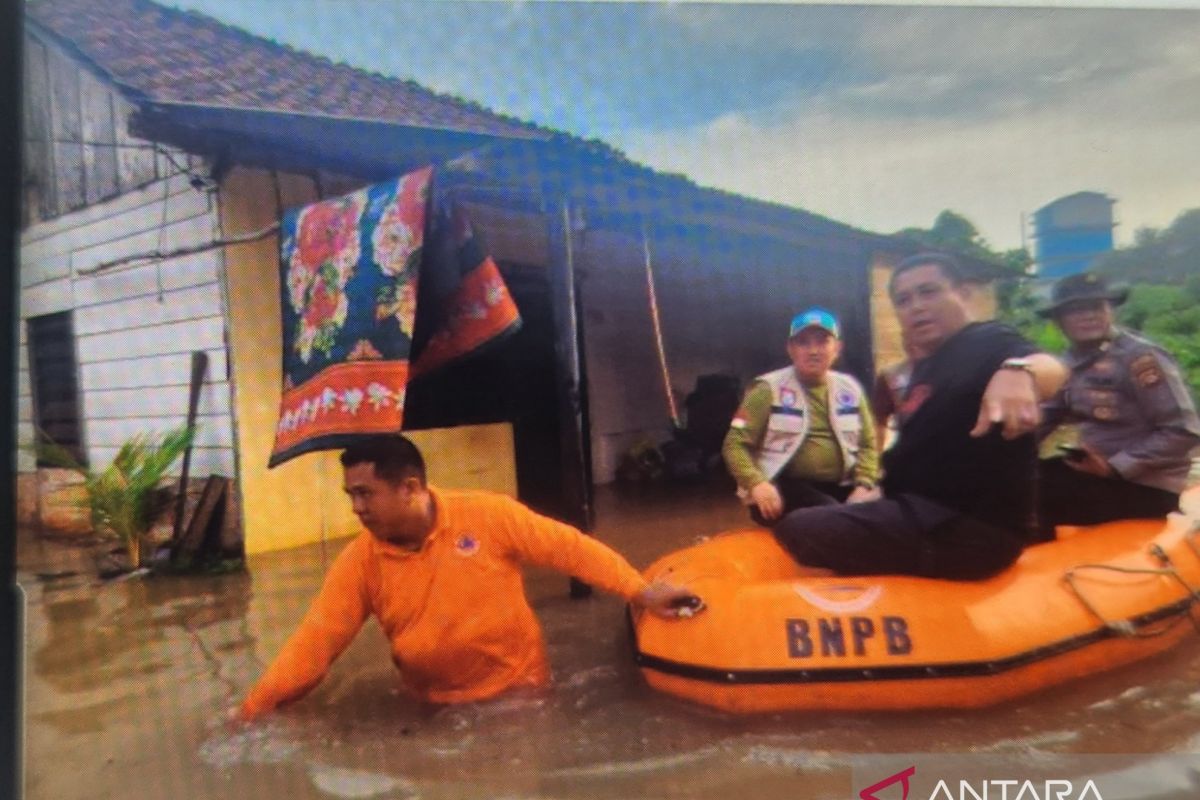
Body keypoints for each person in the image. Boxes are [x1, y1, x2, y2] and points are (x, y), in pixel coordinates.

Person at [234, 435, 696, 720]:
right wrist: (255, 709)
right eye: (350, 495)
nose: (356, 507)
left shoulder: (488, 515)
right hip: (430, 704)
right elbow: (316, 641)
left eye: (364, 494)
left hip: (518, 696)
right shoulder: (360, 561)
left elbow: (571, 549)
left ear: (409, 488)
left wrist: (640, 590)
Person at [771, 253, 1068, 580]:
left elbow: (1052, 368)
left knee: (800, 529)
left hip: (969, 529)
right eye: (904, 300)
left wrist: (1020, 372)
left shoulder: (987, 339)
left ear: (963, 294)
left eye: (929, 292)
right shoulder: (927, 367)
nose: (916, 306)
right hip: (915, 505)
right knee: (784, 486)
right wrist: (872, 490)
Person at [1036, 272, 1200, 537]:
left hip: (1146, 486)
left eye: (1096, 307)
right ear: (1058, 321)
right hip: (1094, 474)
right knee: (1020, 481)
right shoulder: (1068, 362)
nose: (1089, 315)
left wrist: (1115, 467)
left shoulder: (1140, 358)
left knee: (1036, 497)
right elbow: (1043, 418)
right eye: (1076, 310)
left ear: (1110, 311)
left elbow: (1183, 431)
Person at [722, 306, 880, 527]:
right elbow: (734, 445)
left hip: (842, 485)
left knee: (888, 511)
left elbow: (869, 444)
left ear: (837, 348)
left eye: (822, 341)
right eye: (803, 342)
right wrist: (757, 484)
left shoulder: (850, 389)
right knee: (838, 520)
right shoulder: (767, 389)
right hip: (782, 487)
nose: (813, 350)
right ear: (790, 349)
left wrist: (864, 485)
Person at [870, 332, 927, 451]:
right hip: (910, 450)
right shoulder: (890, 375)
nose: (912, 343)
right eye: (908, 338)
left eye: (918, 338)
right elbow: (879, 421)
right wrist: (877, 459)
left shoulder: (952, 371)